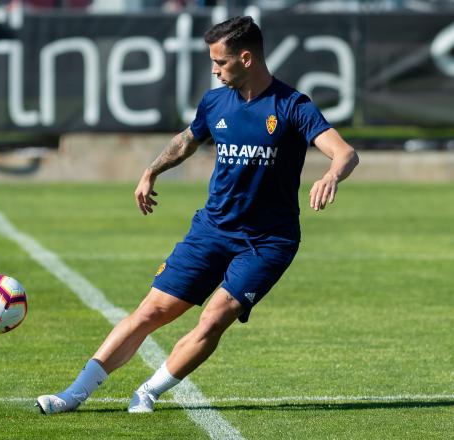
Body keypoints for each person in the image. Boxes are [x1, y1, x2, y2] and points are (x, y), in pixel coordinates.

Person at [36, 15, 359, 415]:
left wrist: (331, 175)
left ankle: (148, 392)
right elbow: (188, 140)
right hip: (211, 229)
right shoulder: (214, 102)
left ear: (246, 58)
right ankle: (74, 394)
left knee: (214, 318)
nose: (214, 70)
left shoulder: (292, 106)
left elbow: (345, 152)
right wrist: (152, 169)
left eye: (220, 62)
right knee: (151, 311)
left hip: (267, 242)